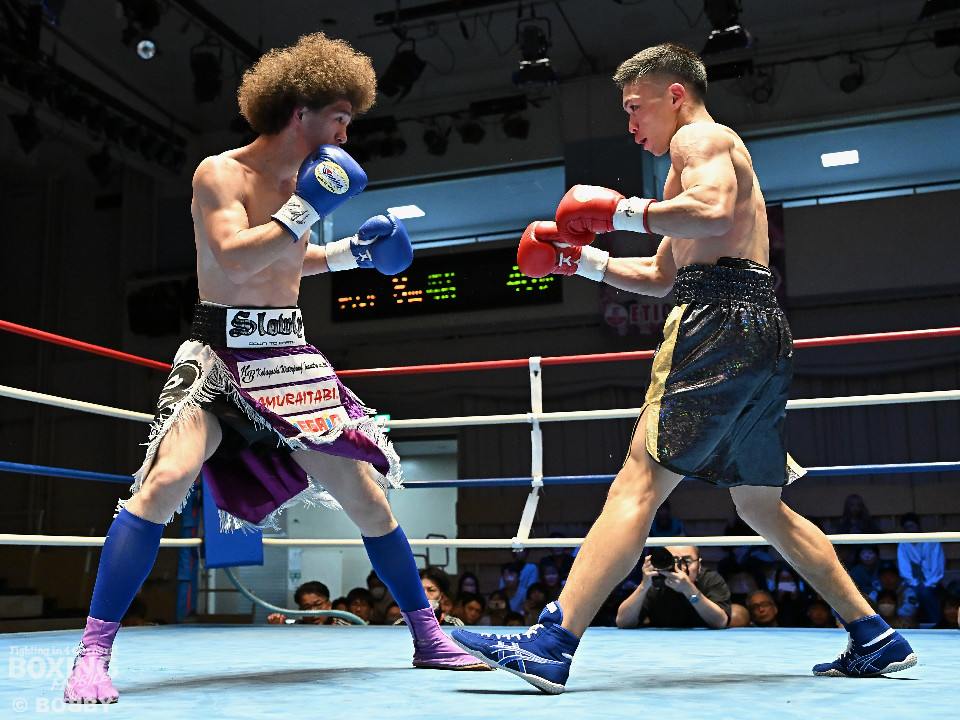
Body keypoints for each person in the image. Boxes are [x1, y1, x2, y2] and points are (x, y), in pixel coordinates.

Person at [451, 43, 917, 694]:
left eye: (635, 108)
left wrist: (617, 211)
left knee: (637, 483)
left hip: (717, 323)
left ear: (674, 95)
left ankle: (552, 643)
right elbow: (659, 273)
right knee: (762, 507)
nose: (631, 125)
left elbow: (715, 209)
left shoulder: (700, 139)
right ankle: (875, 635)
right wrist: (576, 260)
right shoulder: (687, 173)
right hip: (756, 327)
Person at [63, 32, 487, 704]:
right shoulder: (220, 174)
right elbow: (234, 258)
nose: (346, 132)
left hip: (287, 358)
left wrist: (352, 253)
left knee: (366, 498)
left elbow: (286, 258)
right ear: (300, 114)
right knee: (166, 480)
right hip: (216, 358)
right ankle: (93, 652)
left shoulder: (302, 184)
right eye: (340, 117)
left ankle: (428, 636)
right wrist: (307, 208)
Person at [615, 545, 730, 629]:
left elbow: (721, 622)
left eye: (687, 561)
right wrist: (643, 586)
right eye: (673, 560)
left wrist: (689, 590)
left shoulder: (711, 580)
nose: (681, 567)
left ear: (699, 565)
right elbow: (623, 623)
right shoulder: (655, 581)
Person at [896, 512, 944, 623]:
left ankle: (937, 623)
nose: (910, 530)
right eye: (907, 527)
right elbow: (904, 570)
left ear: (918, 525)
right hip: (911, 584)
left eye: (912, 526)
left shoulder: (932, 542)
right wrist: (915, 583)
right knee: (911, 595)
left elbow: (938, 567)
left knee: (925, 593)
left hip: (933, 583)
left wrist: (928, 583)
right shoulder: (903, 545)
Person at [267, 580, 333, 625]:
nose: (313, 612)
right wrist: (278, 627)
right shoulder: (297, 628)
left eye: (318, 604)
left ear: (329, 605)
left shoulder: (338, 626)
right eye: (307, 608)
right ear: (300, 611)